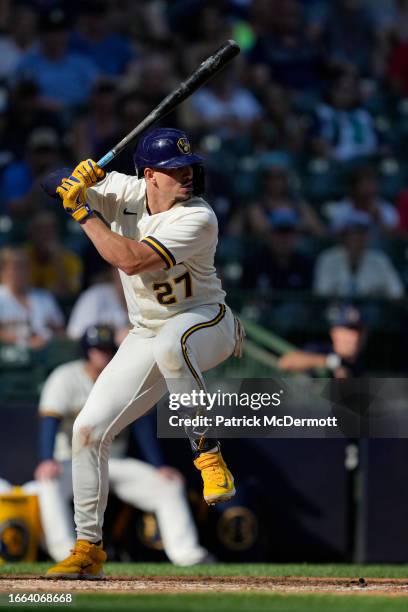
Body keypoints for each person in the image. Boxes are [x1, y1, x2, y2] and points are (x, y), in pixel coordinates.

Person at [43, 127, 243, 579]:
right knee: (87, 430)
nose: (187, 176)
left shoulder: (198, 217)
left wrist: (83, 210)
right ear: (150, 175)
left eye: (190, 167)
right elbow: (48, 177)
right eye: (175, 170)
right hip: (146, 331)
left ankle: (208, 453)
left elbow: (130, 259)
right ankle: (87, 548)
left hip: (207, 321)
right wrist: (73, 178)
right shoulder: (123, 189)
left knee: (175, 342)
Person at [35, 324, 211, 566]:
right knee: (48, 482)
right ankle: (66, 554)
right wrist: (46, 459)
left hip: (114, 461)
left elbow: (141, 427)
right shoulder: (65, 377)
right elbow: (49, 421)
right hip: (73, 462)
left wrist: (159, 466)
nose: (103, 354)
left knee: (167, 485)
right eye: (98, 349)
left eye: (108, 349)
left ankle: (188, 555)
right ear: (86, 350)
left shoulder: (125, 378)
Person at [313, 210, 404, 299]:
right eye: (353, 233)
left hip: (372, 310)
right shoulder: (327, 258)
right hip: (335, 310)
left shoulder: (380, 260)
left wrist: (376, 295)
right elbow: (321, 293)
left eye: (362, 233)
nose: (358, 238)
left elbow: (397, 292)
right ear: (343, 236)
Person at [0, 246, 64, 349]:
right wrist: (24, 341)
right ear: (3, 270)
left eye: (24, 266)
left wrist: (46, 337)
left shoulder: (44, 296)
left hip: (46, 354)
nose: (21, 271)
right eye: (16, 266)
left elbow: (60, 330)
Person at [278, 304, 366, 378]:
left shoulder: (364, 360)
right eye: (348, 330)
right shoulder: (321, 350)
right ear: (334, 333)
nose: (355, 336)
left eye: (358, 330)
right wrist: (331, 362)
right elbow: (286, 362)